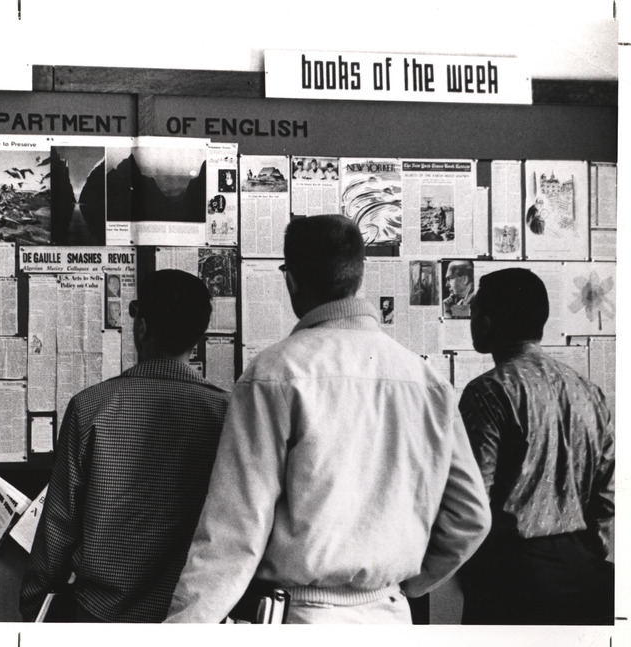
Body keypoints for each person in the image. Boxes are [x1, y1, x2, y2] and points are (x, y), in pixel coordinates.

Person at [166, 214, 490, 624]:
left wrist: (181, 631)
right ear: (358, 275)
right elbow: (471, 516)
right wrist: (404, 584)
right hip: (391, 617)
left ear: (292, 280)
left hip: (303, 615)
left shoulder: (274, 373)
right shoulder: (428, 381)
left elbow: (234, 532)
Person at [20, 270, 230, 622]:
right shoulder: (227, 414)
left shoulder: (90, 407)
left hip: (100, 617)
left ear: (142, 327)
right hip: (190, 618)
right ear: (198, 337)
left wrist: (34, 604)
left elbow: (58, 524)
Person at [458, 268, 615, 625]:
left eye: (475, 311)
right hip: (583, 569)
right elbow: (608, 492)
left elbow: (472, 498)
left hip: (510, 574)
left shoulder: (490, 391)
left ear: (488, 321)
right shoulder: (587, 391)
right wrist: (591, 553)